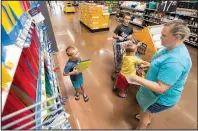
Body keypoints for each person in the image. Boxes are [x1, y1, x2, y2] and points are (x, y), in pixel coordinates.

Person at [128, 20, 192, 129]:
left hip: (159, 98)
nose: (160, 37)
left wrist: (135, 78)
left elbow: (161, 88)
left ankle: (142, 124)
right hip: (154, 94)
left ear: (177, 37)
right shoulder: (171, 47)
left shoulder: (176, 61)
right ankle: (146, 115)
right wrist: (150, 65)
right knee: (147, 112)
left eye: (164, 35)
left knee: (145, 116)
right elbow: (163, 64)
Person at [111, 12, 134, 81]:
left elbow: (131, 34)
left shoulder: (130, 27)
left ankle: (124, 68)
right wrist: (118, 37)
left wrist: (130, 36)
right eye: (126, 19)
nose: (127, 21)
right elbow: (113, 35)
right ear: (123, 19)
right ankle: (117, 70)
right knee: (119, 57)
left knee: (126, 57)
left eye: (129, 19)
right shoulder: (119, 27)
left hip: (127, 44)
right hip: (120, 44)